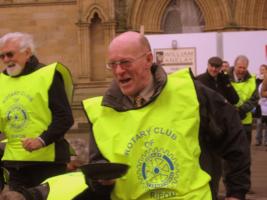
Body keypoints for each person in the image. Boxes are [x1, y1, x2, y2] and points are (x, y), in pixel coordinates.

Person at [81, 31, 250, 200]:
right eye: (112, 64)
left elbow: (233, 135)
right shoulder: (101, 111)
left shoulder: (190, 93)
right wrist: (101, 180)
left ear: (148, 59)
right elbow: (96, 175)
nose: (118, 71)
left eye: (125, 62)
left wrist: (236, 192)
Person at [0, 32, 74, 191]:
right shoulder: (1, 81)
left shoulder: (47, 75)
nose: (6, 60)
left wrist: (41, 140)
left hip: (48, 163)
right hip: (15, 164)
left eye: (10, 54)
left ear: (27, 52)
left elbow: (65, 118)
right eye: (2, 56)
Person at [196, 56, 239, 199]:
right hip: (204, 132)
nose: (214, 69)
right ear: (207, 65)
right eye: (212, 66)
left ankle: (213, 195)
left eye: (217, 67)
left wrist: (226, 82)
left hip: (220, 133)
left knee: (217, 170)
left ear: (221, 67)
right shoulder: (199, 80)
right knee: (206, 169)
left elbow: (235, 99)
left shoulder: (222, 81)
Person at [228, 55, 259, 146]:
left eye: (244, 68)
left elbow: (255, 99)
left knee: (245, 150)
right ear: (234, 65)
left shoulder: (252, 80)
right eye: (239, 67)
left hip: (245, 122)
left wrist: (241, 109)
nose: (241, 70)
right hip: (229, 120)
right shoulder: (224, 78)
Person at [254, 64, 267, 146]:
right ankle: (258, 140)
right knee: (259, 123)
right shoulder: (257, 80)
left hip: (266, 105)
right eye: (260, 69)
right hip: (259, 105)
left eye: (263, 69)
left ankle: (266, 141)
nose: (261, 70)